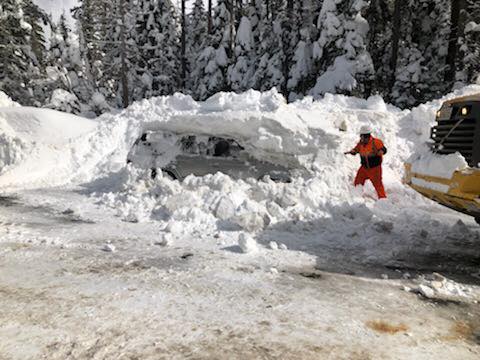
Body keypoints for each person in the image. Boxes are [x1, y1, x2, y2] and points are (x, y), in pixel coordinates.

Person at [344, 125, 387, 199]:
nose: (361, 138)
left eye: (362, 136)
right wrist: (353, 151)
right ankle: (356, 197)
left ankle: (383, 199)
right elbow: (356, 149)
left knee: (378, 185)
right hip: (364, 168)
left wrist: (381, 151)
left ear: (367, 136)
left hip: (375, 169)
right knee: (358, 182)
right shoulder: (361, 143)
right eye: (361, 136)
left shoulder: (376, 142)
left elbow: (384, 149)